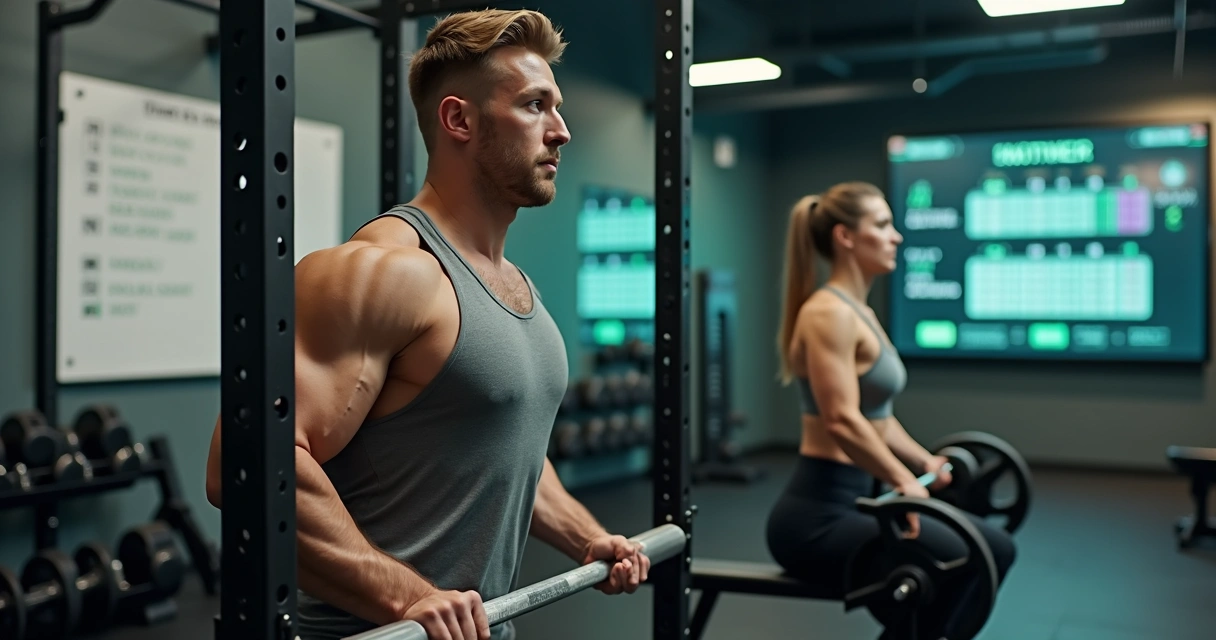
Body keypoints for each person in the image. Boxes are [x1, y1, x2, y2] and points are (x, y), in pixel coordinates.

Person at [205, 9, 652, 640]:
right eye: (534, 106)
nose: (562, 131)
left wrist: (587, 538)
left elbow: (505, 441)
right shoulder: (385, 272)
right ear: (458, 119)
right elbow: (246, 462)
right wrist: (407, 597)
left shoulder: (518, 285)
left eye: (557, 107)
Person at [766, 181, 1016, 639]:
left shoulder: (858, 311)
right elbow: (841, 418)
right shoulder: (827, 314)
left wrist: (922, 462)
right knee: (983, 554)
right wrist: (903, 480)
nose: (897, 236)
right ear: (846, 237)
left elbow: (876, 416)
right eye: (883, 225)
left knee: (984, 555)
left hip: (862, 499)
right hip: (818, 516)